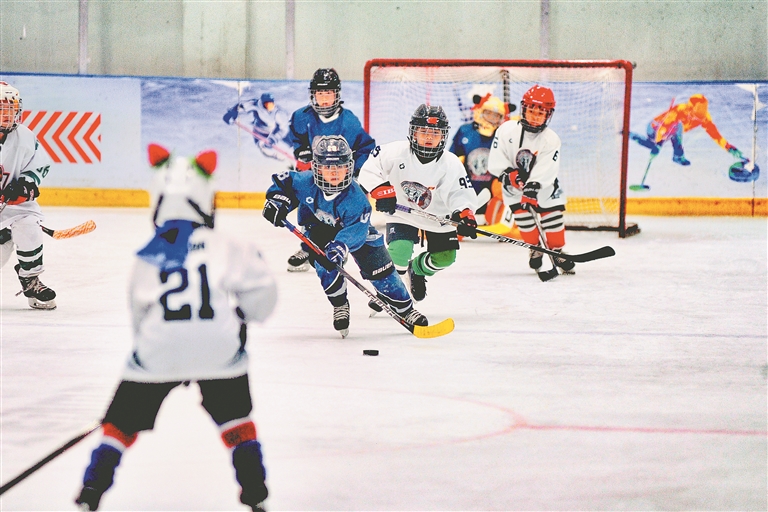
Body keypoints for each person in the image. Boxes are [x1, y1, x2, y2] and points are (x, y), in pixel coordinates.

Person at [75, 144, 277, 512]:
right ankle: (257, 494)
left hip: (159, 347)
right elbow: (263, 293)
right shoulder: (228, 245)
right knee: (237, 419)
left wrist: (152, 354)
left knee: (119, 425)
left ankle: (92, 490)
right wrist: (241, 319)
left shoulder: (149, 252)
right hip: (219, 348)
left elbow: (139, 311)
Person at [262, 135, 426, 337]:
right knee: (325, 265)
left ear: (349, 167)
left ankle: (406, 309)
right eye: (328, 167)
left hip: (355, 234)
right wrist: (277, 202)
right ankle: (340, 304)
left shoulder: (356, 199)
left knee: (381, 269)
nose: (334, 172)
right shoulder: (305, 181)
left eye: (339, 167)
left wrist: (340, 246)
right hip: (319, 230)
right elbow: (284, 183)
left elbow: (356, 230)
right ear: (316, 167)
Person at [357, 104, 478, 303]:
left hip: (438, 216)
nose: (429, 137)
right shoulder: (394, 151)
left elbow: (460, 192)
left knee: (445, 258)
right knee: (398, 255)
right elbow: (370, 169)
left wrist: (464, 213)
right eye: (423, 132)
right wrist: (381, 190)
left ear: (443, 136)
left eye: (435, 133)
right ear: (413, 133)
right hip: (402, 213)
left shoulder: (451, 162)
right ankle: (389, 292)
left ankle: (417, 269)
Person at [285, 68, 376, 272]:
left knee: (345, 212)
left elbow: (365, 147)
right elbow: (297, 137)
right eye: (320, 94)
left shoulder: (348, 121)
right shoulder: (301, 116)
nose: (325, 99)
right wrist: (302, 151)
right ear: (313, 95)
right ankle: (308, 246)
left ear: (337, 94)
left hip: (340, 177)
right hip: (317, 175)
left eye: (329, 93)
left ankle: (341, 247)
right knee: (308, 203)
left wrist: (356, 170)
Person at [487, 85, 575, 276]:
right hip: (513, 188)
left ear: (548, 115)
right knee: (525, 223)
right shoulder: (506, 130)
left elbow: (547, 167)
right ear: (524, 109)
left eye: (540, 113)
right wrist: (508, 174)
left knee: (553, 222)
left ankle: (557, 252)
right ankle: (535, 248)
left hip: (544, 188)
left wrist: (533, 187)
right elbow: (496, 157)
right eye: (532, 111)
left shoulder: (551, 139)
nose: (535, 116)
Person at [0, 81, 57, 310]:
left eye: (12, 109)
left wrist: (25, 186)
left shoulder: (24, 136)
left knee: (29, 223)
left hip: (12, 207)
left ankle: (30, 279)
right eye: (2, 109)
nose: (8, 115)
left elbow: (38, 166)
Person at [629, 94, 748, 166]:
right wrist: (659, 144)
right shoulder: (680, 110)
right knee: (675, 128)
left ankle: (634, 136)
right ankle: (678, 155)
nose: (699, 119)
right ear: (690, 109)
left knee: (655, 144)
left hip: (671, 133)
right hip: (654, 129)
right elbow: (664, 127)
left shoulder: (704, 117)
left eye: (701, 115)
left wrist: (729, 147)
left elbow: (715, 135)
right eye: (696, 115)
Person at [449, 94, 509, 225]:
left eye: (496, 115)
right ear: (480, 112)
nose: (492, 118)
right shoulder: (465, 131)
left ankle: (496, 219)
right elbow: (450, 160)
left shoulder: (503, 136)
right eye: (489, 113)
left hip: (491, 194)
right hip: (466, 189)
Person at [223, 92, 291, 160]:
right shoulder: (256, 104)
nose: (269, 106)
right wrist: (232, 113)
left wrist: (273, 138)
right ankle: (276, 155)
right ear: (262, 103)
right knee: (262, 145)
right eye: (267, 104)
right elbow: (242, 106)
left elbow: (284, 129)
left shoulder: (279, 112)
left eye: (271, 104)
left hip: (275, 129)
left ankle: (293, 150)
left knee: (289, 138)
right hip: (260, 130)